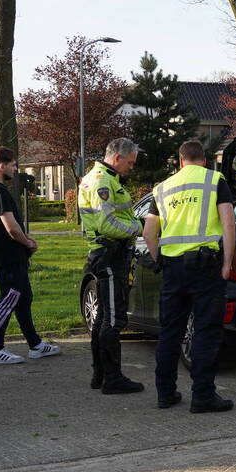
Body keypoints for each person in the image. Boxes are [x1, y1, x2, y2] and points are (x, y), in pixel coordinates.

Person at [143, 140, 236, 413]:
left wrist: (160, 260)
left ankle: (165, 393)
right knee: (206, 331)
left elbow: (149, 233)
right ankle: (203, 396)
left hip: (173, 268)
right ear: (204, 160)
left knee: (170, 331)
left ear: (180, 161)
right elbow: (229, 223)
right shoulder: (215, 180)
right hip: (206, 268)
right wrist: (227, 263)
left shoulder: (161, 188)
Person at [0, 147, 60, 365]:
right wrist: (28, 243)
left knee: (23, 300)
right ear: (1, 165)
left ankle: (35, 345)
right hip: (8, 257)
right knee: (8, 300)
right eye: (14, 165)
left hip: (10, 256)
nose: (16, 169)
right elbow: (11, 227)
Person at [78, 138, 144, 394]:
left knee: (104, 316)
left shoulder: (101, 178)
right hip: (110, 255)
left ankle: (101, 375)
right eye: (130, 163)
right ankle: (112, 379)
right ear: (117, 158)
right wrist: (138, 227)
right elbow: (107, 224)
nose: (131, 168)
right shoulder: (102, 182)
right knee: (114, 319)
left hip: (104, 253)